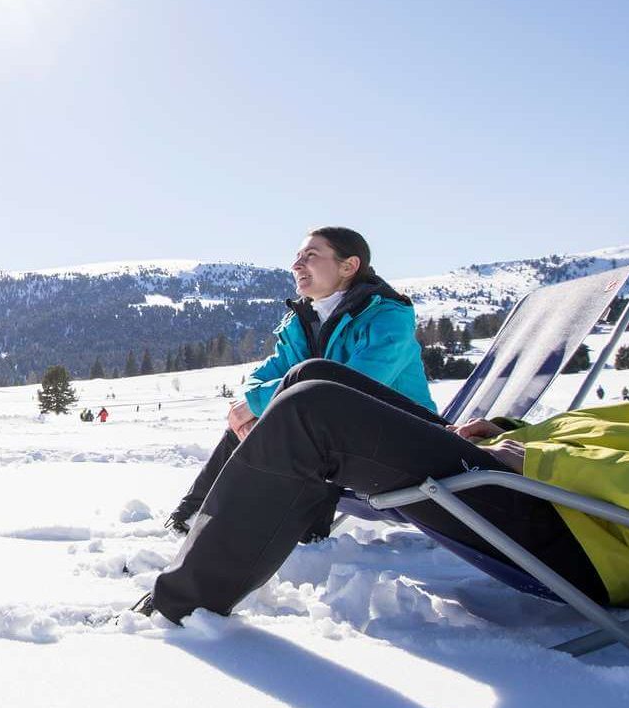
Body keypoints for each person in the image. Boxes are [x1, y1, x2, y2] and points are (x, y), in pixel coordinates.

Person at [142, 167, 629, 623]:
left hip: (604, 544)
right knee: (311, 383)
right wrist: (524, 434)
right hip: (570, 502)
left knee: (313, 409)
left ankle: (180, 611)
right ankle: (196, 549)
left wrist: (547, 468)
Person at [165, 227, 433, 534]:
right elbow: (262, 376)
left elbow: (353, 388)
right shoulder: (303, 320)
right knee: (251, 424)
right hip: (344, 442)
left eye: (311, 256)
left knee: (308, 429)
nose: (296, 265)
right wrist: (251, 406)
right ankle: (194, 517)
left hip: (403, 445)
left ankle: (297, 534)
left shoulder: (387, 317)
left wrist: (256, 404)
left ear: (348, 266)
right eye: (297, 257)